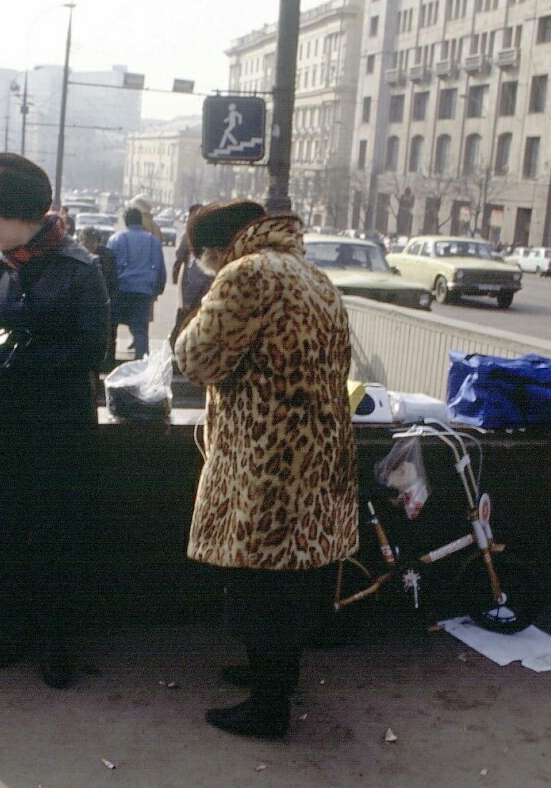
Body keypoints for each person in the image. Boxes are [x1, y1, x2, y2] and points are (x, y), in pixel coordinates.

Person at [173, 199, 358, 739]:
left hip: (267, 457)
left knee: (260, 583)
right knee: (293, 576)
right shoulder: (313, 276)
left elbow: (197, 361)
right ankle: (273, 677)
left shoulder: (246, 275)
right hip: (317, 454)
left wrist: (191, 320)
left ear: (217, 248)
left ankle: (268, 708)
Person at [0, 152, 109, 690]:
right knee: (6, 528)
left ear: (20, 213)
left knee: (56, 534)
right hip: (3, 421)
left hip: (58, 424)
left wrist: (22, 358)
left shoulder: (79, 269)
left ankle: (58, 642)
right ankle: (14, 628)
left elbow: (95, 351)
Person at [107, 206, 165, 359]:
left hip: (120, 290)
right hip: (143, 291)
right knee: (141, 330)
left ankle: (109, 362)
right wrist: (158, 290)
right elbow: (160, 268)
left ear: (126, 221)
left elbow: (108, 266)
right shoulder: (153, 242)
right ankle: (141, 364)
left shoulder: (115, 239)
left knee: (111, 328)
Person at [169, 203, 211, 345]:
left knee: (185, 330)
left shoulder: (191, 235)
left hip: (195, 294)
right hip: (206, 294)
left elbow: (196, 273)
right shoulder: (210, 234)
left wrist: (186, 300)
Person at [78, 225, 118, 371]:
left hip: (105, 301)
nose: (90, 246)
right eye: (86, 242)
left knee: (109, 335)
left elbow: (113, 280)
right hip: (84, 304)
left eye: (93, 242)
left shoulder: (107, 256)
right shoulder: (76, 255)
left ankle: (108, 366)